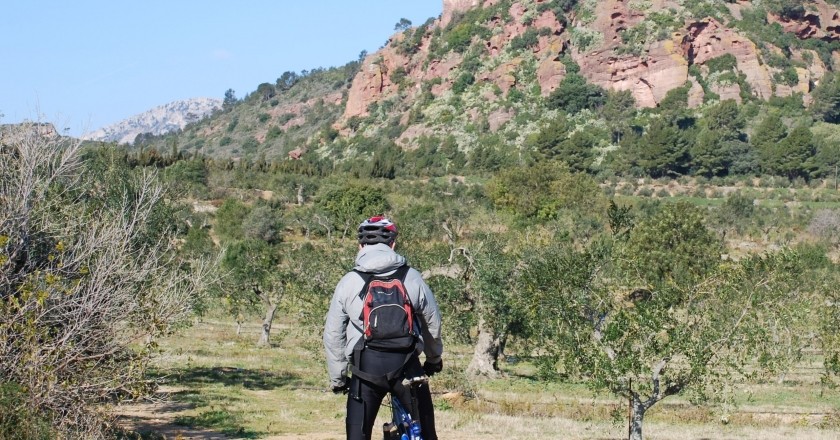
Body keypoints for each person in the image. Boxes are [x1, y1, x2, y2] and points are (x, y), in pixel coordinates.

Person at [324, 216, 443, 440]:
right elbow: (432, 323)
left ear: (360, 246)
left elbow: (333, 335)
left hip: (365, 369)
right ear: (393, 245)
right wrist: (434, 360)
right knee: (426, 435)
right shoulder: (412, 277)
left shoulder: (349, 281)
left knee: (357, 436)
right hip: (408, 367)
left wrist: (338, 379)